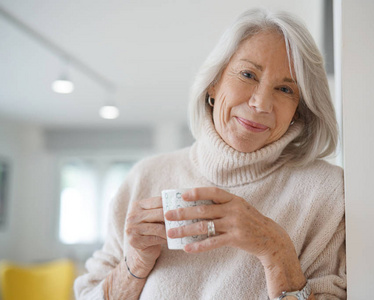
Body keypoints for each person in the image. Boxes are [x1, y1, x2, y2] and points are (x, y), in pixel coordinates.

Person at [74, 8, 346, 300]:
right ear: (214, 83)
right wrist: (135, 264)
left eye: (284, 89)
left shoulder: (327, 193)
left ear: (298, 110)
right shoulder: (146, 176)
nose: (261, 103)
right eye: (248, 74)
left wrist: (276, 250)